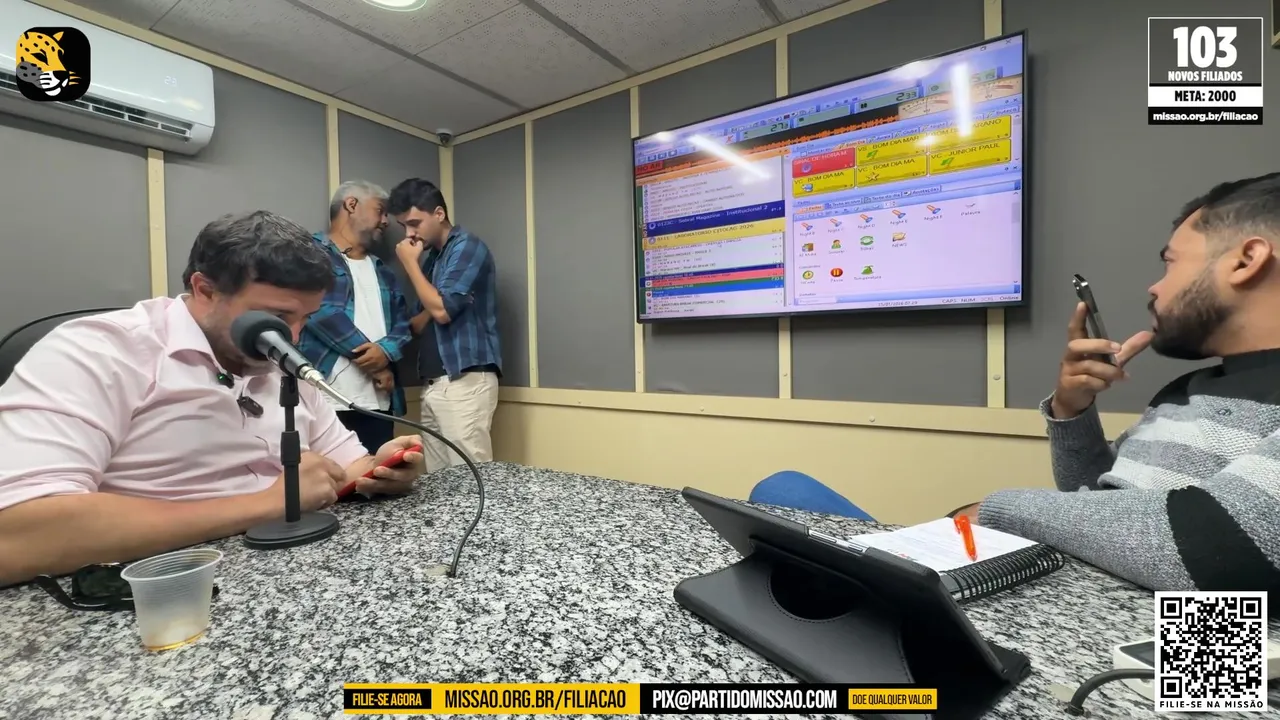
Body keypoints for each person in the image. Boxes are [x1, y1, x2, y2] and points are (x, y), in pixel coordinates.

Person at [0, 211, 426, 587]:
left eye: (305, 319)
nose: (293, 338)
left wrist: (380, 470)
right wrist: (264, 506)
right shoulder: (97, 352)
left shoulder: (282, 362)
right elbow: (16, 533)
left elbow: (343, 467)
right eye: (276, 318)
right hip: (156, 588)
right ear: (204, 290)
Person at [958, 173, 1280, 594]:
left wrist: (996, 509)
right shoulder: (1184, 392)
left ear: (1246, 260)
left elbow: (1222, 549)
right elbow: (1096, 498)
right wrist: (1071, 410)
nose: (1154, 287)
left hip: (1162, 632)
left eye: (1170, 262)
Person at [388, 178, 502, 472]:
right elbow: (418, 322)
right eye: (403, 226)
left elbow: (441, 311)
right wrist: (436, 301)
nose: (409, 234)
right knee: (440, 483)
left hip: (465, 379)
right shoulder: (434, 259)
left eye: (414, 223)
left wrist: (410, 264)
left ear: (439, 213)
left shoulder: (467, 246)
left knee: (471, 478)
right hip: (433, 383)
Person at [297, 180, 413, 453]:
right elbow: (318, 310)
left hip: (379, 402)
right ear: (351, 205)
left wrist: (385, 351)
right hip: (324, 398)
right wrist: (374, 363)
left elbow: (403, 324)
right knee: (327, 478)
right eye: (380, 211)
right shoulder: (308, 255)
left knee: (378, 476)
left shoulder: (383, 270)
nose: (385, 221)